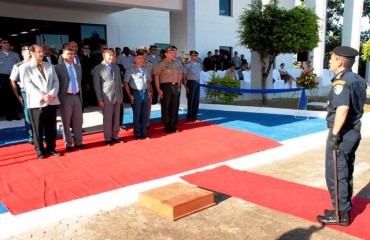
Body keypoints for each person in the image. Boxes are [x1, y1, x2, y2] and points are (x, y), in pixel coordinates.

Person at [316, 46, 367, 226]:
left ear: (340, 61)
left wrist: (335, 135)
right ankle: (343, 208)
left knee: (336, 174)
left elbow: (343, 109)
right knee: (345, 172)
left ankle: (340, 215)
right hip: (353, 131)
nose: (329, 61)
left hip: (342, 132)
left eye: (331, 58)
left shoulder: (342, 81)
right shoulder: (358, 79)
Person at [22, 44, 61, 159]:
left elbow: (55, 81)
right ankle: (40, 150)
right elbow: (28, 85)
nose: (42, 53)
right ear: (32, 53)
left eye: (42, 51)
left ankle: (51, 148)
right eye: (39, 51)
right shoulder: (25, 67)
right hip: (36, 102)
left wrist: (52, 94)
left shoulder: (50, 66)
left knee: (51, 127)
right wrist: (43, 96)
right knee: (38, 128)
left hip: (51, 100)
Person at [55, 48, 85, 152]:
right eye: (68, 54)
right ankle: (68, 143)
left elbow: (79, 82)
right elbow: (56, 83)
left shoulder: (78, 67)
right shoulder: (58, 68)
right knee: (66, 122)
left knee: (78, 121)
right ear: (63, 55)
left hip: (76, 96)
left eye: (72, 54)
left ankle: (79, 142)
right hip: (65, 97)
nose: (71, 56)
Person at [93, 49, 124, 146]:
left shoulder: (116, 67)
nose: (112, 57)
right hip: (106, 98)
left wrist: (121, 96)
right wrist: (100, 99)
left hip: (117, 97)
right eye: (109, 55)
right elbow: (96, 86)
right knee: (107, 119)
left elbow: (119, 83)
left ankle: (115, 136)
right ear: (103, 56)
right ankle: (108, 138)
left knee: (116, 118)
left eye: (113, 55)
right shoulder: (98, 68)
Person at [123, 51, 152, 140]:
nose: (141, 60)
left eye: (142, 58)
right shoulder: (130, 69)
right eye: (139, 58)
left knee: (144, 113)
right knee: (137, 114)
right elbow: (125, 83)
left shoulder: (146, 69)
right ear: (135, 59)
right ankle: (137, 133)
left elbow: (148, 81)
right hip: (135, 92)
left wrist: (149, 91)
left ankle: (144, 132)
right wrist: (129, 95)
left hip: (145, 92)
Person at [154, 46, 182, 133]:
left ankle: (172, 125)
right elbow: (156, 76)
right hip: (165, 86)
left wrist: (178, 86)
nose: (173, 54)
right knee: (166, 107)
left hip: (175, 86)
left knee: (174, 106)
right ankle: (167, 126)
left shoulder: (175, 63)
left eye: (173, 53)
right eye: (170, 53)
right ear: (165, 54)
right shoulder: (161, 64)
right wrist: (158, 88)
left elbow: (178, 75)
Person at [9, 45, 33, 144]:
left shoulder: (37, 64)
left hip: (39, 92)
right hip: (25, 92)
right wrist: (17, 95)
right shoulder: (18, 66)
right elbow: (12, 80)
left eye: (31, 51)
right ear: (22, 53)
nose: (30, 53)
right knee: (28, 115)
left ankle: (40, 133)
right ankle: (31, 136)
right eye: (28, 51)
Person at [0, 38, 21, 121]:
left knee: (15, 95)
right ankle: (8, 114)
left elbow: (20, 65)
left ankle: (15, 114)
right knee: (5, 96)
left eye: (7, 42)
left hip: (14, 77)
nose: (6, 44)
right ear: (1, 44)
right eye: (4, 42)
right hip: (2, 77)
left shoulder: (15, 55)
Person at [183, 50, 202, 122]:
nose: (196, 56)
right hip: (190, 83)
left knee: (196, 100)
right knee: (190, 100)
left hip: (197, 83)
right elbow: (184, 76)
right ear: (190, 56)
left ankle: (194, 116)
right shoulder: (187, 65)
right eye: (194, 55)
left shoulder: (198, 64)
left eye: (197, 55)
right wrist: (186, 86)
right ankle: (190, 117)